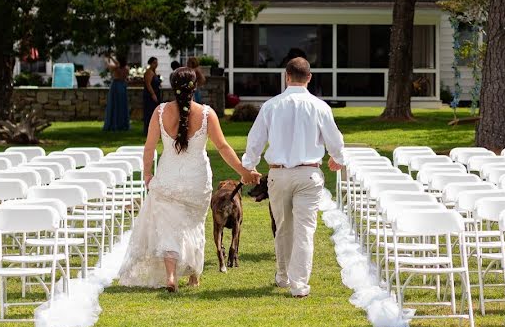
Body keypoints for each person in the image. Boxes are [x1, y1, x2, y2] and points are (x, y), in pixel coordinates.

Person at [118, 67, 257, 292]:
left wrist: (147, 174)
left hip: (168, 178)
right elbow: (222, 147)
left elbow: (149, 147)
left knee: (169, 228)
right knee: (195, 226)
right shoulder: (206, 114)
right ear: (196, 87)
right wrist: (243, 171)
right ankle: (193, 275)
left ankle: (171, 275)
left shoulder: (160, 112)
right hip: (197, 180)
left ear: (173, 87)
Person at [243, 57, 345, 298]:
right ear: (309, 78)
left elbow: (255, 139)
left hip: (278, 174)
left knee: (284, 227)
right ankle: (298, 284)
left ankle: (283, 275)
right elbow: (335, 139)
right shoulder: (320, 107)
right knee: (304, 230)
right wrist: (337, 157)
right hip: (308, 173)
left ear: (286, 76)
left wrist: (249, 165)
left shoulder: (271, 105)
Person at [103, 54, 130, 131]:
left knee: (114, 105)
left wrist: (108, 59)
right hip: (123, 85)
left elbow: (109, 66)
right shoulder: (126, 68)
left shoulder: (115, 68)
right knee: (122, 105)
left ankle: (114, 124)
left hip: (116, 85)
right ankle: (123, 124)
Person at [142, 57, 162, 135]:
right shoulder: (149, 72)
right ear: (150, 63)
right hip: (150, 95)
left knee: (155, 112)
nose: (156, 64)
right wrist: (153, 94)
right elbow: (148, 84)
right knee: (150, 112)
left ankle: (155, 129)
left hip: (156, 93)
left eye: (156, 62)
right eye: (154, 63)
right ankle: (148, 130)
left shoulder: (154, 72)